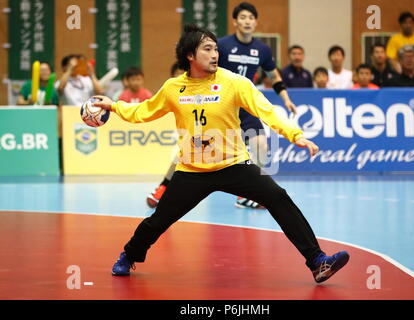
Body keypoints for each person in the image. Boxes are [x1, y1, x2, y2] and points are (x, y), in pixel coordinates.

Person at [92, 24, 350, 283]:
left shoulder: (234, 83)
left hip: (233, 165)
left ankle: (317, 261)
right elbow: (143, 111)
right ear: (191, 56)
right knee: (158, 221)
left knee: (278, 197)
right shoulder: (173, 88)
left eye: (216, 48)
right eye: (207, 49)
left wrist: (297, 135)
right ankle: (129, 255)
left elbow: (267, 110)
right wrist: (113, 106)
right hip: (192, 170)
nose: (215, 54)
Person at [147, 2, 297, 210]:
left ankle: (251, 196)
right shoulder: (223, 46)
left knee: (262, 146)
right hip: (219, 105)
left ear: (255, 22)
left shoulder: (262, 49)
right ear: (235, 21)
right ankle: (164, 186)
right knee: (190, 148)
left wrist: (286, 98)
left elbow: (274, 76)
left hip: (243, 105)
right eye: (242, 17)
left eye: (251, 18)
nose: (247, 21)